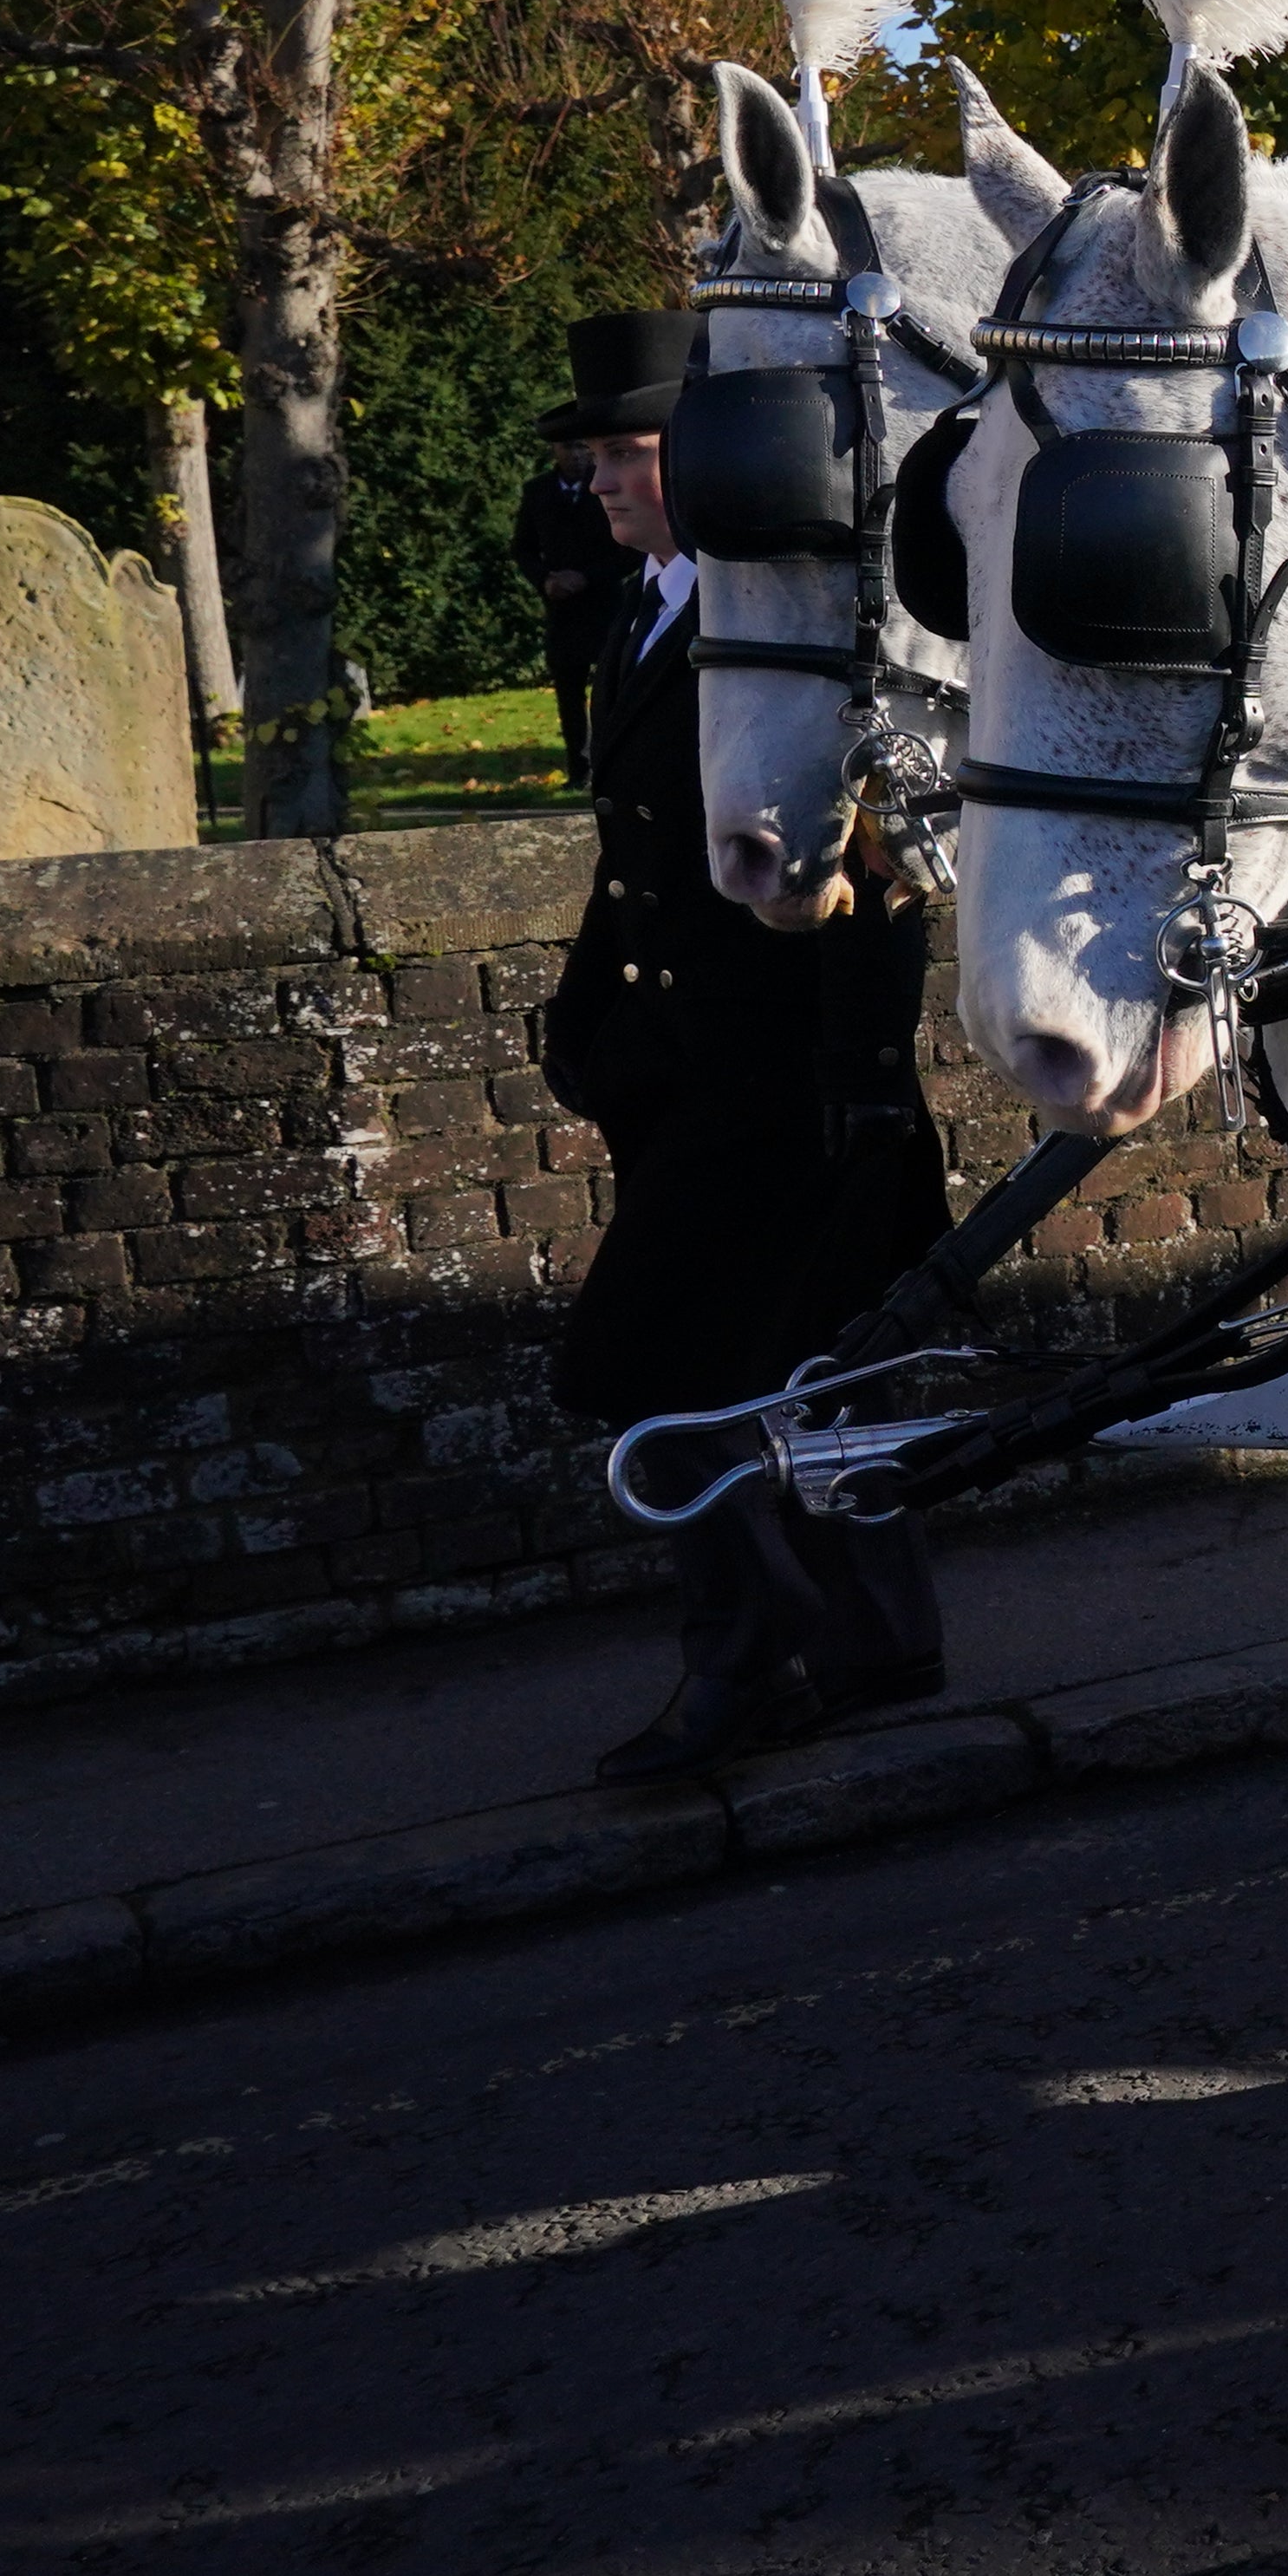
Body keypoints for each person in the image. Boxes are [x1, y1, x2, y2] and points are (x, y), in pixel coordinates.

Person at [534, 306, 959, 1784]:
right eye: (592, 455)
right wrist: (584, 1015)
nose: (602, 479)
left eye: (628, 450)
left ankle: (750, 1652)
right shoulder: (648, 607)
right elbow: (636, 853)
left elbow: (877, 853)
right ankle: (886, 1632)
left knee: (646, 1367)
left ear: (704, 461)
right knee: (805, 1365)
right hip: (686, 1065)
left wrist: (865, 1081)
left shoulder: (774, 618)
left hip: (786, 1075)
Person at [510, 441, 628, 779]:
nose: (576, 457)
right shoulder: (537, 492)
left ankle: (615, 764)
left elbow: (629, 551)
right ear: (554, 451)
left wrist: (588, 577)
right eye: (568, 449)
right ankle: (579, 768)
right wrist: (545, 579)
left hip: (606, 605)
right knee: (568, 691)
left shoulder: (606, 487)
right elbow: (523, 547)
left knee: (612, 689)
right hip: (562, 609)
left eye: (582, 449)